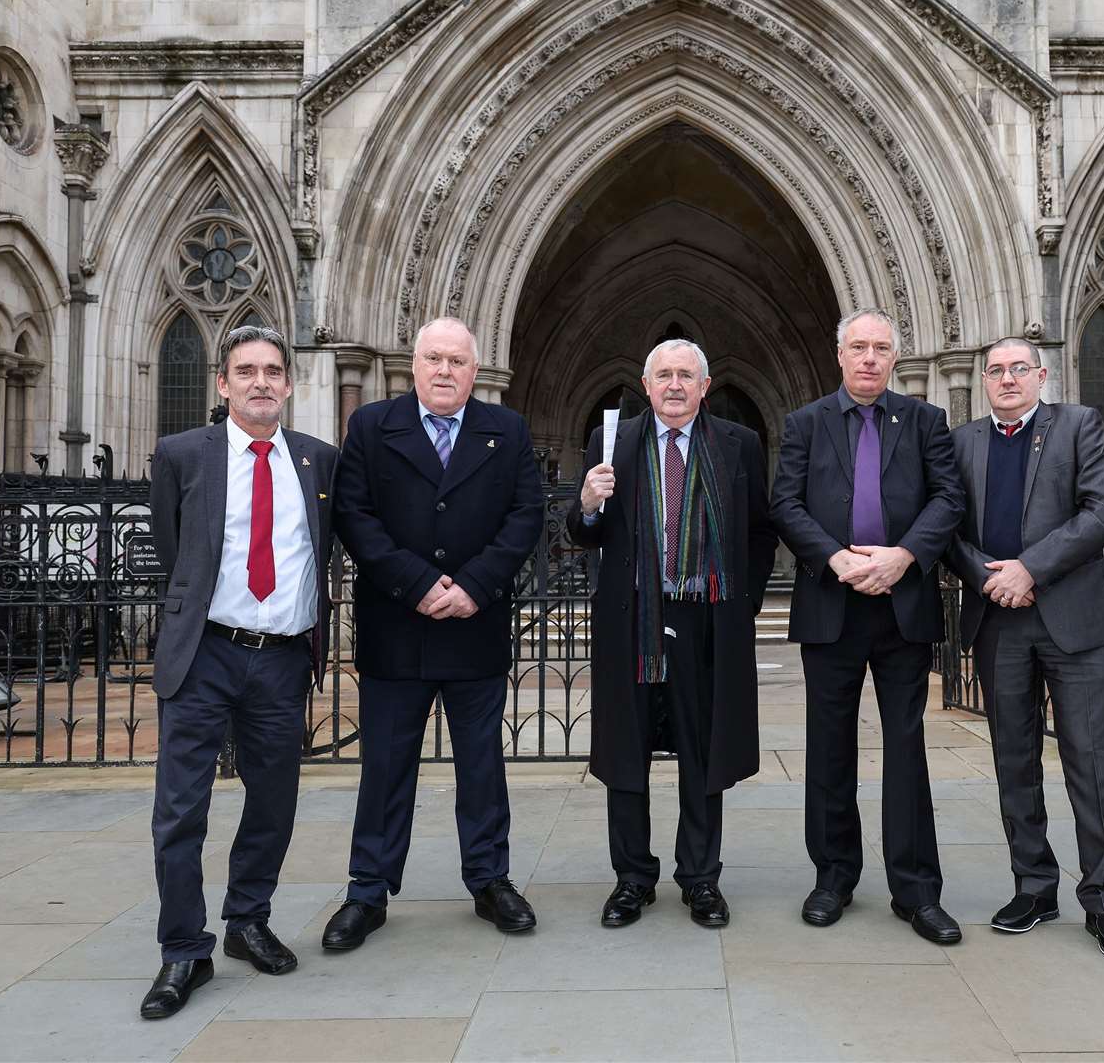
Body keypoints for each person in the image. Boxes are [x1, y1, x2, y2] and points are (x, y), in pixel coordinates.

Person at [322, 316, 544, 950]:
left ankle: (490, 880)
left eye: (456, 361)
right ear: (412, 367)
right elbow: (354, 516)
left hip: (476, 626)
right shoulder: (371, 426)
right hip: (398, 625)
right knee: (386, 766)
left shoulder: (508, 430)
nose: (444, 371)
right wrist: (417, 584)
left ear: (476, 371)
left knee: (482, 766)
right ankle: (367, 889)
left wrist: (474, 586)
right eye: (433, 359)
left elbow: (525, 514)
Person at [142, 325, 338, 1019]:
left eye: (273, 371)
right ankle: (183, 949)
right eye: (245, 371)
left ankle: (247, 919)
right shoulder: (181, 454)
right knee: (180, 811)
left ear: (289, 384)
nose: (261, 382)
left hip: (281, 659)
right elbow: (175, 551)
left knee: (273, 799)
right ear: (221, 384)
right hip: (204, 654)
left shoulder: (318, 462)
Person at [770, 307, 967, 945]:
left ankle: (916, 890)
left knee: (906, 748)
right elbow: (786, 503)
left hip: (902, 604)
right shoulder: (805, 423)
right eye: (859, 347)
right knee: (829, 747)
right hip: (832, 603)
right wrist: (835, 559)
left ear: (894, 357)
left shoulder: (926, 421)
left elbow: (948, 499)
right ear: (840, 354)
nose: (870, 359)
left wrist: (903, 556)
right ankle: (833, 877)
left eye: (882, 348)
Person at [566, 340, 775, 929]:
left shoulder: (739, 445)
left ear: (705, 386)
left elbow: (761, 531)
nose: (676, 385)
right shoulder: (616, 442)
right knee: (626, 750)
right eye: (665, 376)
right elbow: (588, 533)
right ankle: (632, 878)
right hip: (633, 617)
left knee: (704, 750)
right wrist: (585, 503)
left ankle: (700, 879)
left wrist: (743, 604)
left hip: (707, 619)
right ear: (646, 384)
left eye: (687, 375)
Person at [944, 337, 1104, 960]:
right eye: (995, 370)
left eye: (1016, 369)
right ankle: (1034, 887)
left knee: (1092, 766)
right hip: (999, 620)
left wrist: (1029, 569)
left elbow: (1102, 512)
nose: (1005, 379)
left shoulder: (1079, 426)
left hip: (1073, 624)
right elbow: (946, 525)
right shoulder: (963, 441)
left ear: (1040, 375)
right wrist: (989, 577)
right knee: (1014, 764)